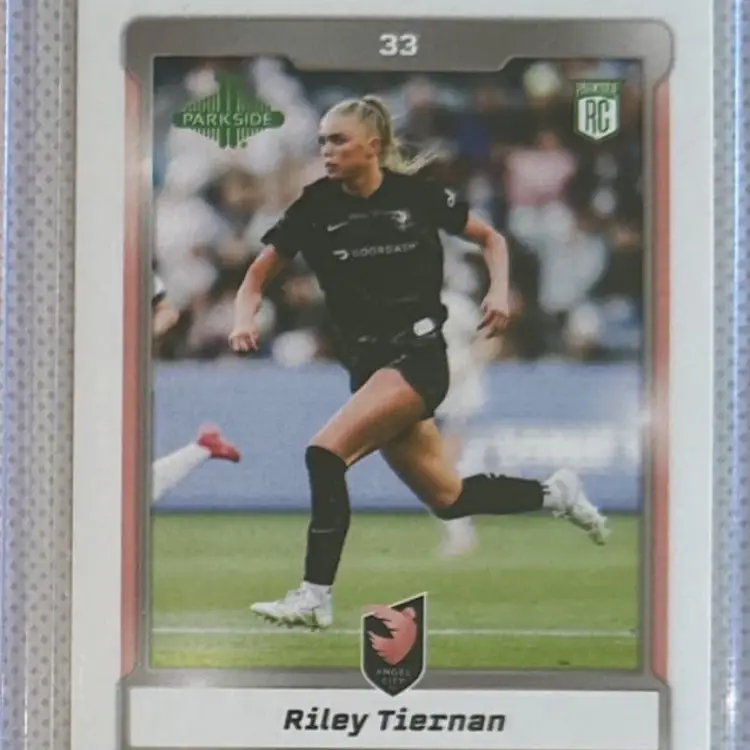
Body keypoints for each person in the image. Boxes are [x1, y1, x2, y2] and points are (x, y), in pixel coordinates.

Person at [229, 95, 609, 630]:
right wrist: (243, 318)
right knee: (448, 498)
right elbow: (256, 275)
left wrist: (498, 290)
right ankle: (555, 494)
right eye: (322, 142)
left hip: (418, 359)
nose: (327, 150)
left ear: (373, 146)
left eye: (338, 140)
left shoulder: (418, 197)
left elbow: (491, 239)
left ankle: (314, 597)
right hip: (368, 367)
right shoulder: (316, 205)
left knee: (324, 454)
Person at [151, 273, 241, 503]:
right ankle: (202, 448)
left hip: (109, 376)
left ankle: (202, 448)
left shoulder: (125, 268)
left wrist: (130, 343)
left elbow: (167, 312)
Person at [433, 286, 488, 557]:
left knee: (446, 463)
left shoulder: (455, 304)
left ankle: (460, 533)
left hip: (458, 394)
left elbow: (488, 336)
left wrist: (467, 366)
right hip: (429, 394)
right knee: (436, 466)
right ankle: (459, 529)